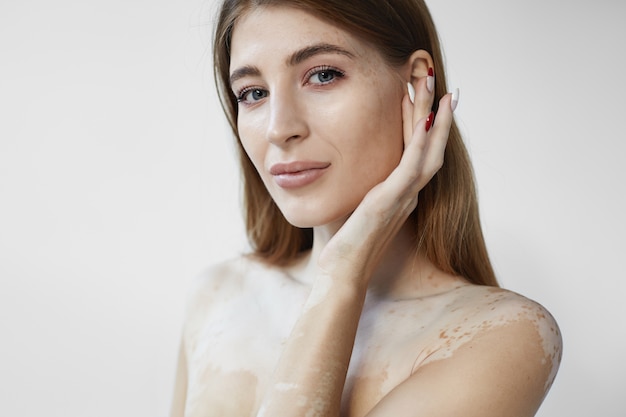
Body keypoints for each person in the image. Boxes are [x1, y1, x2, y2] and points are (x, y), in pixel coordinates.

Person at [170, 0, 563, 416]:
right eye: (253, 93)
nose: (279, 128)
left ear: (414, 85)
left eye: (323, 75)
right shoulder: (218, 296)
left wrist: (343, 271)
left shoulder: (500, 334)